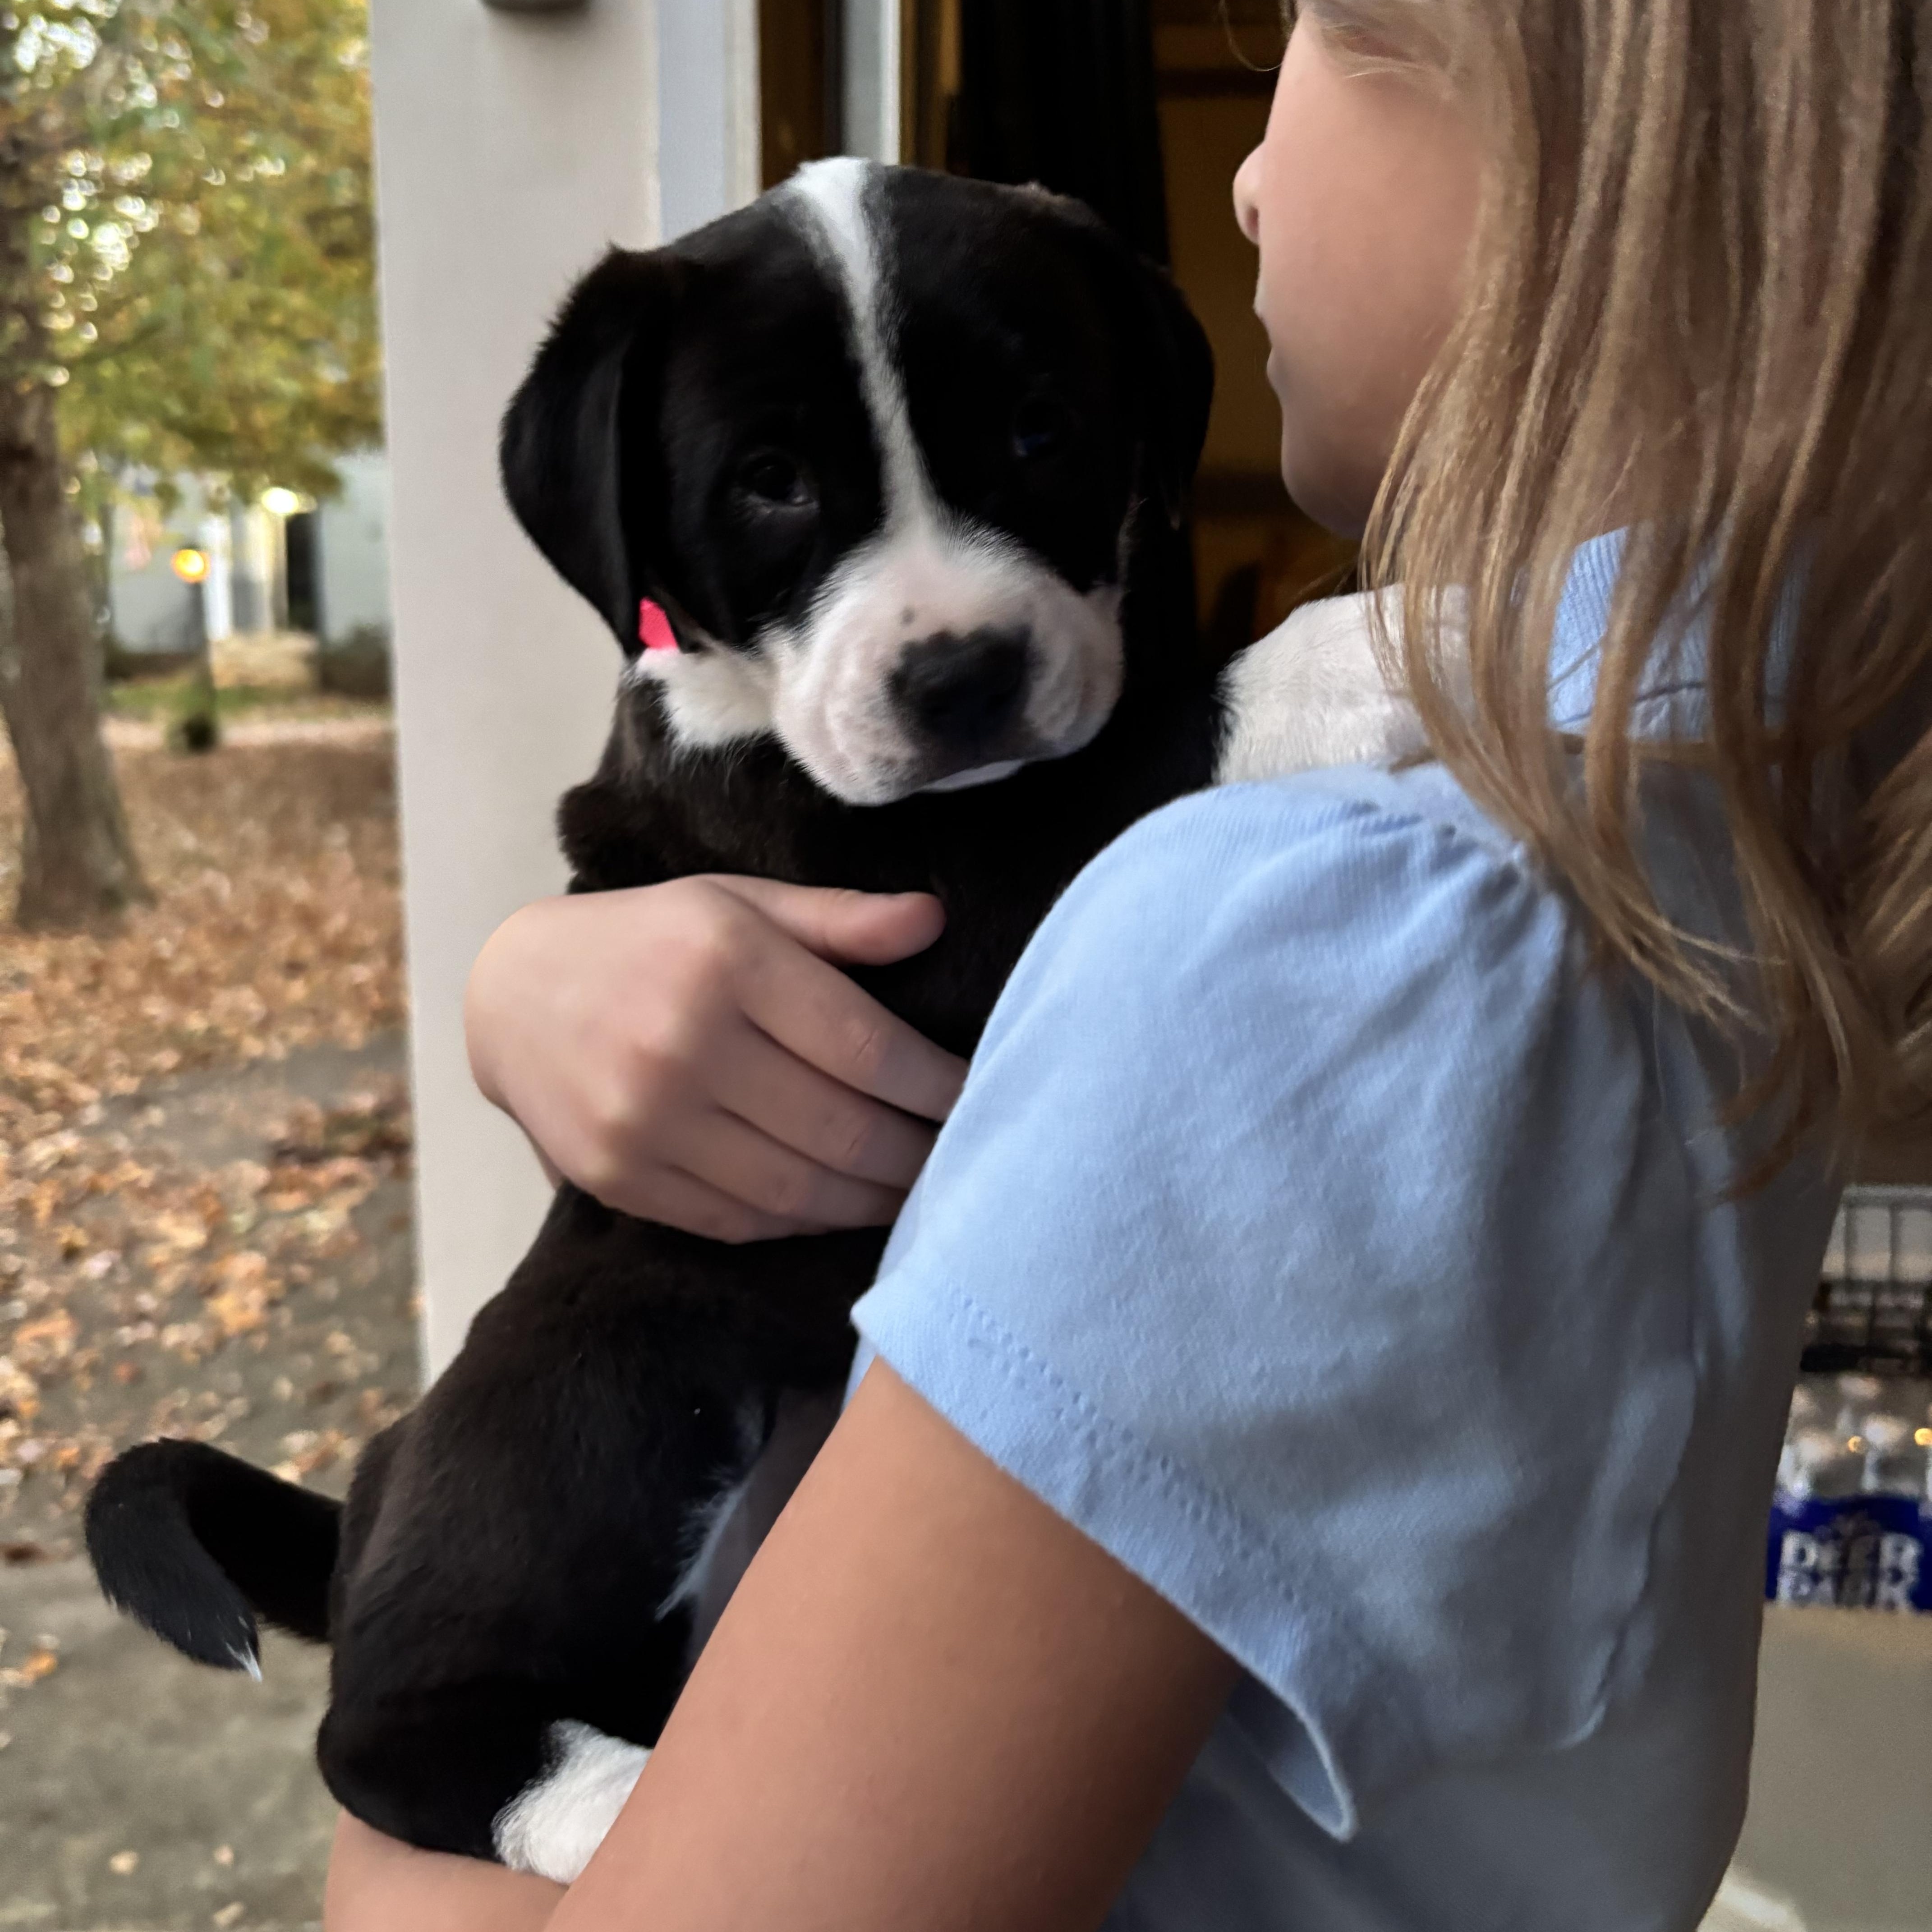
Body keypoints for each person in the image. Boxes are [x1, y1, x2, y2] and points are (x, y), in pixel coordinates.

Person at [327, 4, 1932, 1927]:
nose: (1242, 173)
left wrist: (390, 1853)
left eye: (1320, 32)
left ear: (1600, 130)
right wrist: (547, 974)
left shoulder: (1312, 931)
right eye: (780, 495)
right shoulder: (1723, 788)